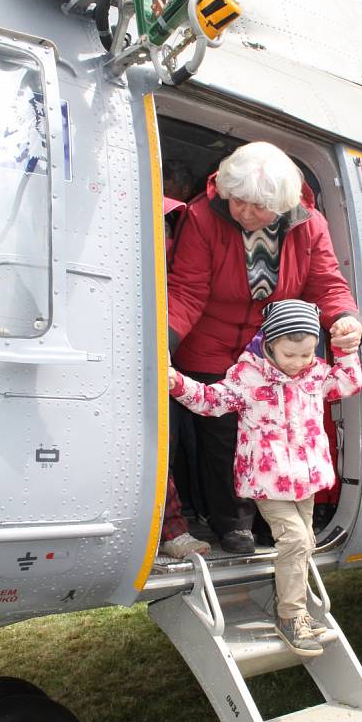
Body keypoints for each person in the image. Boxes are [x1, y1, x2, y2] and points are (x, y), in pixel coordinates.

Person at [167, 141, 362, 555]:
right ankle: (233, 524)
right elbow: (186, 290)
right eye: (237, 200)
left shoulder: (310, 225)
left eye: (257, 206)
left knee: (271, 438)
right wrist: (164, 341)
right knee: (223, 439)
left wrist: (343, 317)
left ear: (281, 204)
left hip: (271, 356)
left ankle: (269, 522)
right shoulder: (203, 217)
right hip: (211, 348)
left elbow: (327, 283)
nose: (244, 212)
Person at [168, 299, 362, 656]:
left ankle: (298, 610)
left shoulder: (314, 374)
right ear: (268, 343)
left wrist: (343, 350)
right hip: (267, 481)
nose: (299, 363)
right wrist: (176, 383)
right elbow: (210, 401)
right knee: (295, 540)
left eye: (307, 354)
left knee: (304, 541)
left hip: (305, 480)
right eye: (290, 355)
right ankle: (291, 616)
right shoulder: (247, 378)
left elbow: (348, 382)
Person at [158, 162, 210, 560]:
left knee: (168, 440)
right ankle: (170, 527)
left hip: (166, 345)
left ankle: (175, 526)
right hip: (138, 343)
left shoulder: (178, 219)